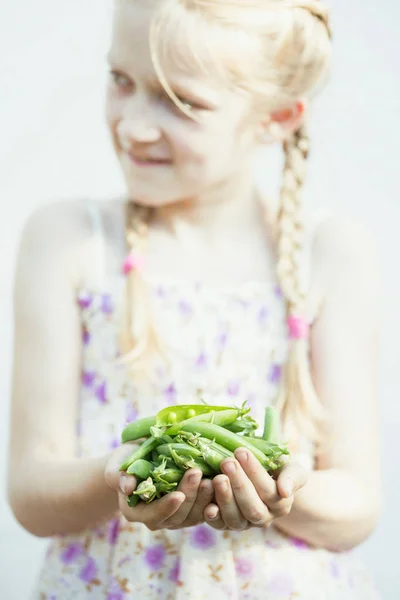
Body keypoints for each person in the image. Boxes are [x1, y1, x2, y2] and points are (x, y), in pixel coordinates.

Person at [7, 0, 382, 598]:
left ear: (278, 116)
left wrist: (281, 490)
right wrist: (118, 476)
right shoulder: (68, 241)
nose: (131, 125)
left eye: (181, 103)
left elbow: (358, 505)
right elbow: (31, 491)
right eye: (120, 80)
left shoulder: (331, 256)